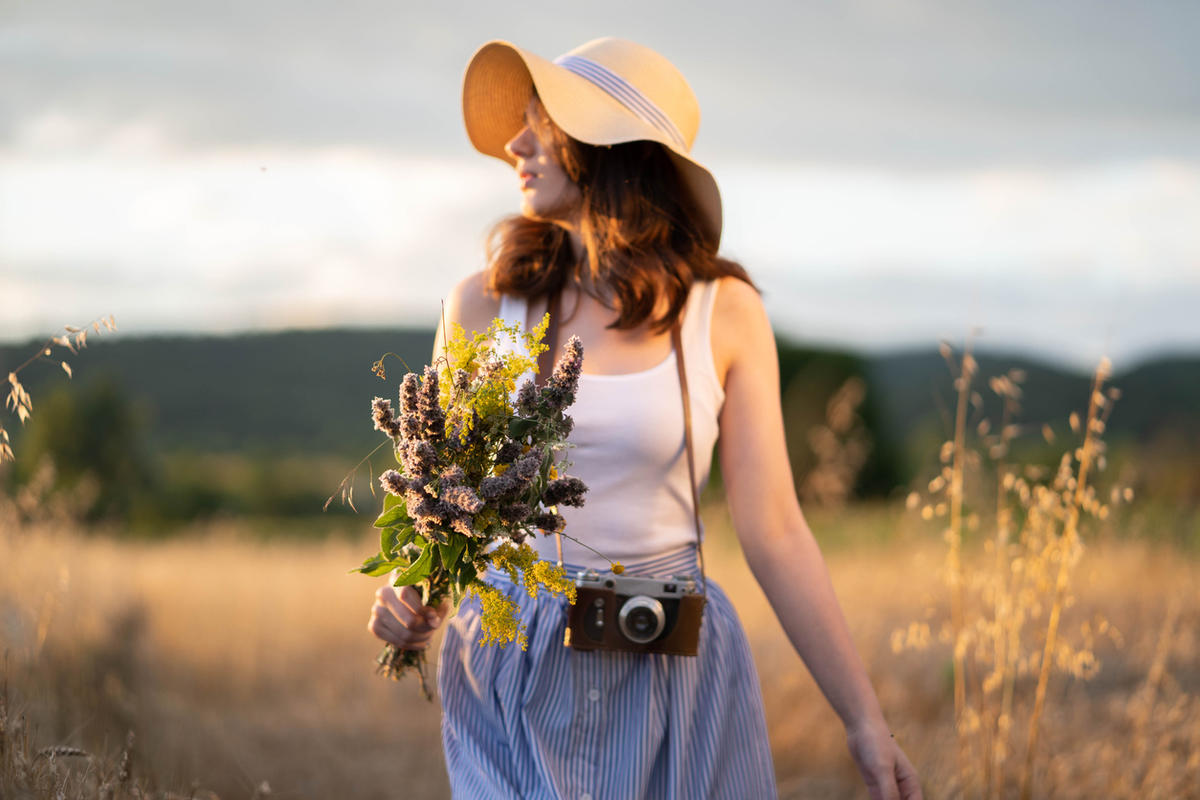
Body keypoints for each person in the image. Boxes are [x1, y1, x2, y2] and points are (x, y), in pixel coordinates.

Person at [367, 37, 923, 800]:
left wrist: (864, 721)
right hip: (513, 662)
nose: (513, 143)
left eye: (540, 122)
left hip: (671, 665)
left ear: (605, 148)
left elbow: (776, 530)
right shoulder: (485, 304)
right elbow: (444, 503)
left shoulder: (721, 312)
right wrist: (411, 589)